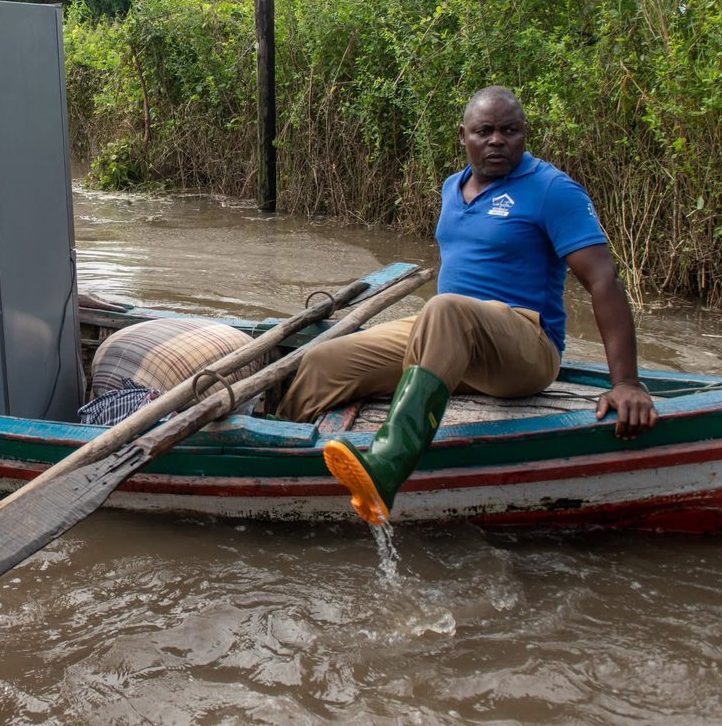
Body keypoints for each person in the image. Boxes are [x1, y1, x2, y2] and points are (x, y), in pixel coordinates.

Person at [278, 86, 658, 524]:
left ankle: (387, 464)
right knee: (324, 360)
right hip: (448, 334)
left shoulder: (553, 190)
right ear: (464, 136)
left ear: (524, 134)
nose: (497, 140)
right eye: (485, 131)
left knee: (444, 308)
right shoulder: (452, 187)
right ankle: (283, 455)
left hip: (525, 345)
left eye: (509, 131)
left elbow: (603, 280)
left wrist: (626, 382)